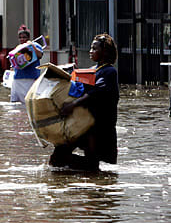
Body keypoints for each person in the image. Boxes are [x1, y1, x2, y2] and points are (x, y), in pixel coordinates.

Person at [49, 33, 119, 172]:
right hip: (81, 122)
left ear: (104, 52)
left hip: (97, 126)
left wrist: (73, 105)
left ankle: (92, 183)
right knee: (56, 159)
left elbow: (97, 92)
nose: (90, 51)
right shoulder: (93, 70)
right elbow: (80, 88)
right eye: (91, 48)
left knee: (92, 164)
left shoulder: (109, 71)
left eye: (95, 49)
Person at [10, 25, 44, 103]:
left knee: (29, 101)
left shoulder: (35, 45)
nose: (22, 39)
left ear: (28, 38)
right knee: (15, 102)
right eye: (20, 37)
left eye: (24, 37)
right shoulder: (18, 48)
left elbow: (39, 55)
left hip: (31, 78)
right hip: (18, 79)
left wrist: (31, 45)